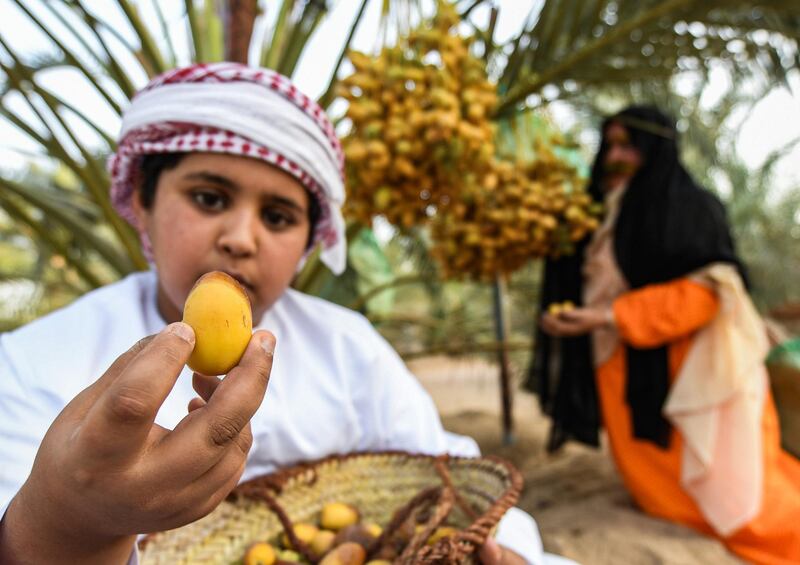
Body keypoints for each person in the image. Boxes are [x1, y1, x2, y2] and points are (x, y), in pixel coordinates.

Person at [0, 63, 552, 564]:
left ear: (309, 242)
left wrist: (508, 553)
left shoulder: (346, 344)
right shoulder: (33, 363)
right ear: (142, 203)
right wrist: (70, 519)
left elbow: (447, 468)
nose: (241, 239)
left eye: (279, 216)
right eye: (210, 198)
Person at [528, 104, 800, 564]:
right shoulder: (590, 214)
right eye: (609, 144)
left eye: (627, 146)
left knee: (738, 492)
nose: (614, 156)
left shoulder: (691, 207)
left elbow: (711, 291)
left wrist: (612, 315)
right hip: (619, 369)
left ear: (653, 148)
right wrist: (575, 317)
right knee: (656, 486)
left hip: (693, 373)